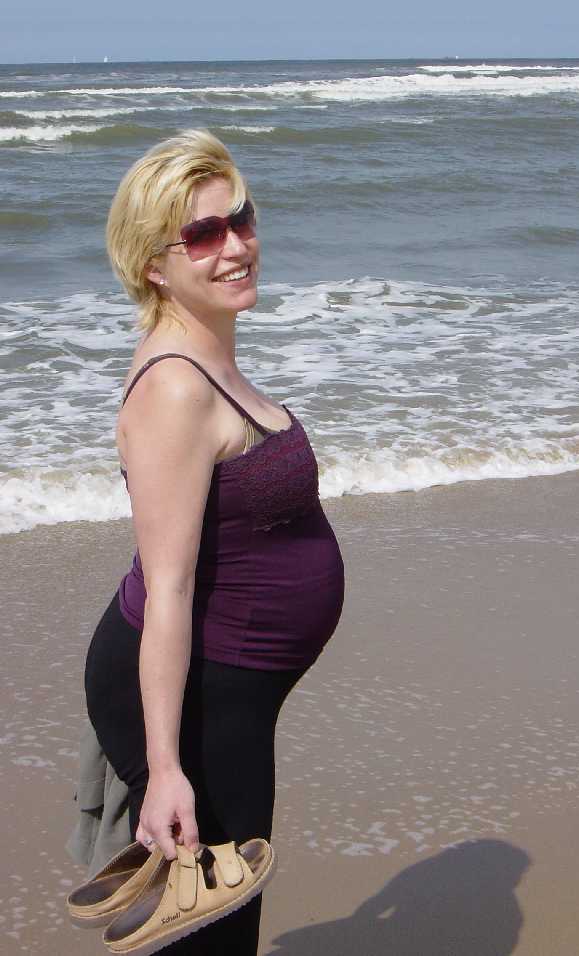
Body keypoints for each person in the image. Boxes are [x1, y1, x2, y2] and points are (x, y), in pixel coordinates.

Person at [83, 129, 345, 954]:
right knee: (216, 930)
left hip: (232, 689)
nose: (235, 246)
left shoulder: (211, 352)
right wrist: (165, 767)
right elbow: (168, 587)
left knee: (220, 918)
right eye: (202, 234)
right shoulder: (174, 387)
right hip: (197, 693)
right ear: (153, 265)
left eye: (242, 219)